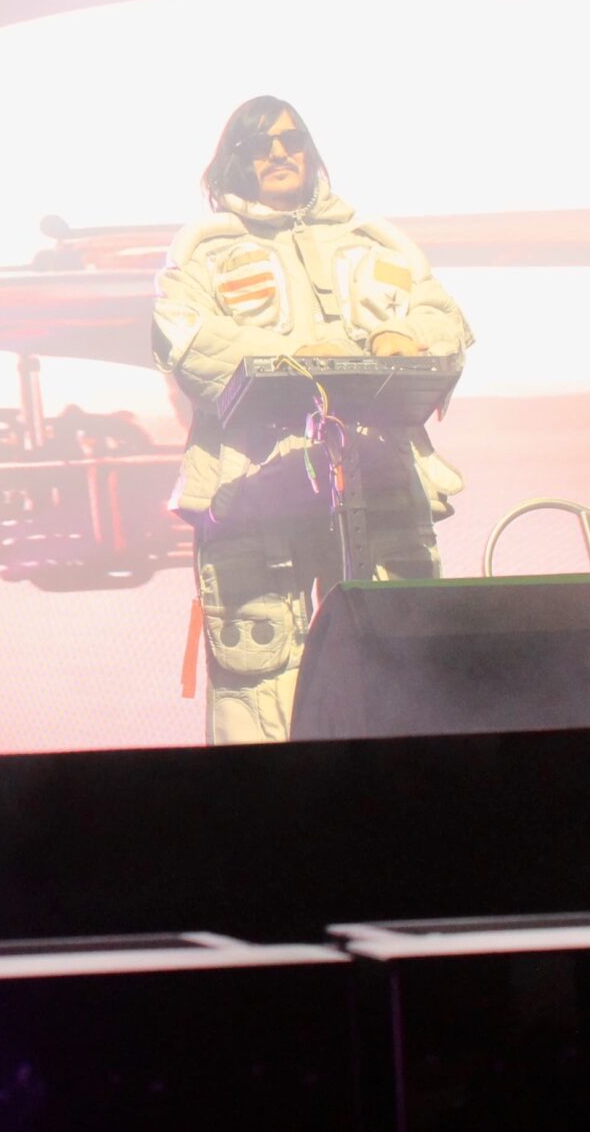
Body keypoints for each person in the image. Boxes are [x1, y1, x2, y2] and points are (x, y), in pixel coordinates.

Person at [151, 97, 473, 744]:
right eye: (259, 144)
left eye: (291, 139)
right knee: (259, 678)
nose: (278, 153)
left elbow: (444, 319)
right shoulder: (205, 251)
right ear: (235, 160)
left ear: (310, 149)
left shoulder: (373, 240)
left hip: (378, 480)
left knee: (401, 662)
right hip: (255, 491)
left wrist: (405, 336)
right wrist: (295, 356)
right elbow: (187, 341)